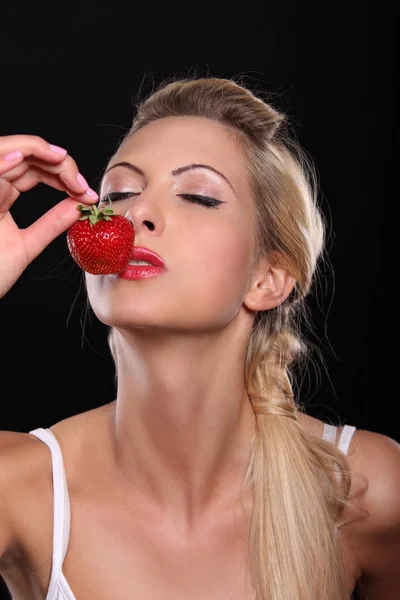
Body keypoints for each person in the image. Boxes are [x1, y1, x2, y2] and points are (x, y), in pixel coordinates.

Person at [0, 76, 399, 600]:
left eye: (197, 196)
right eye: (118, 191)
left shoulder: (370, 491)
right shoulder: (19, 488)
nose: (134, 212)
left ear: (268, 278)